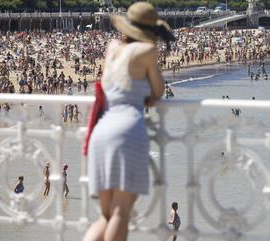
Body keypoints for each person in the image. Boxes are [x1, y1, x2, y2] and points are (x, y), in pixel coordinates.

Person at [83, 2, 175, 241]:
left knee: (105, 216)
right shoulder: (146, 51)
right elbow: (158, 90)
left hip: (101, 130)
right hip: (128, 130)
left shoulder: (112, 47)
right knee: (121, 211)